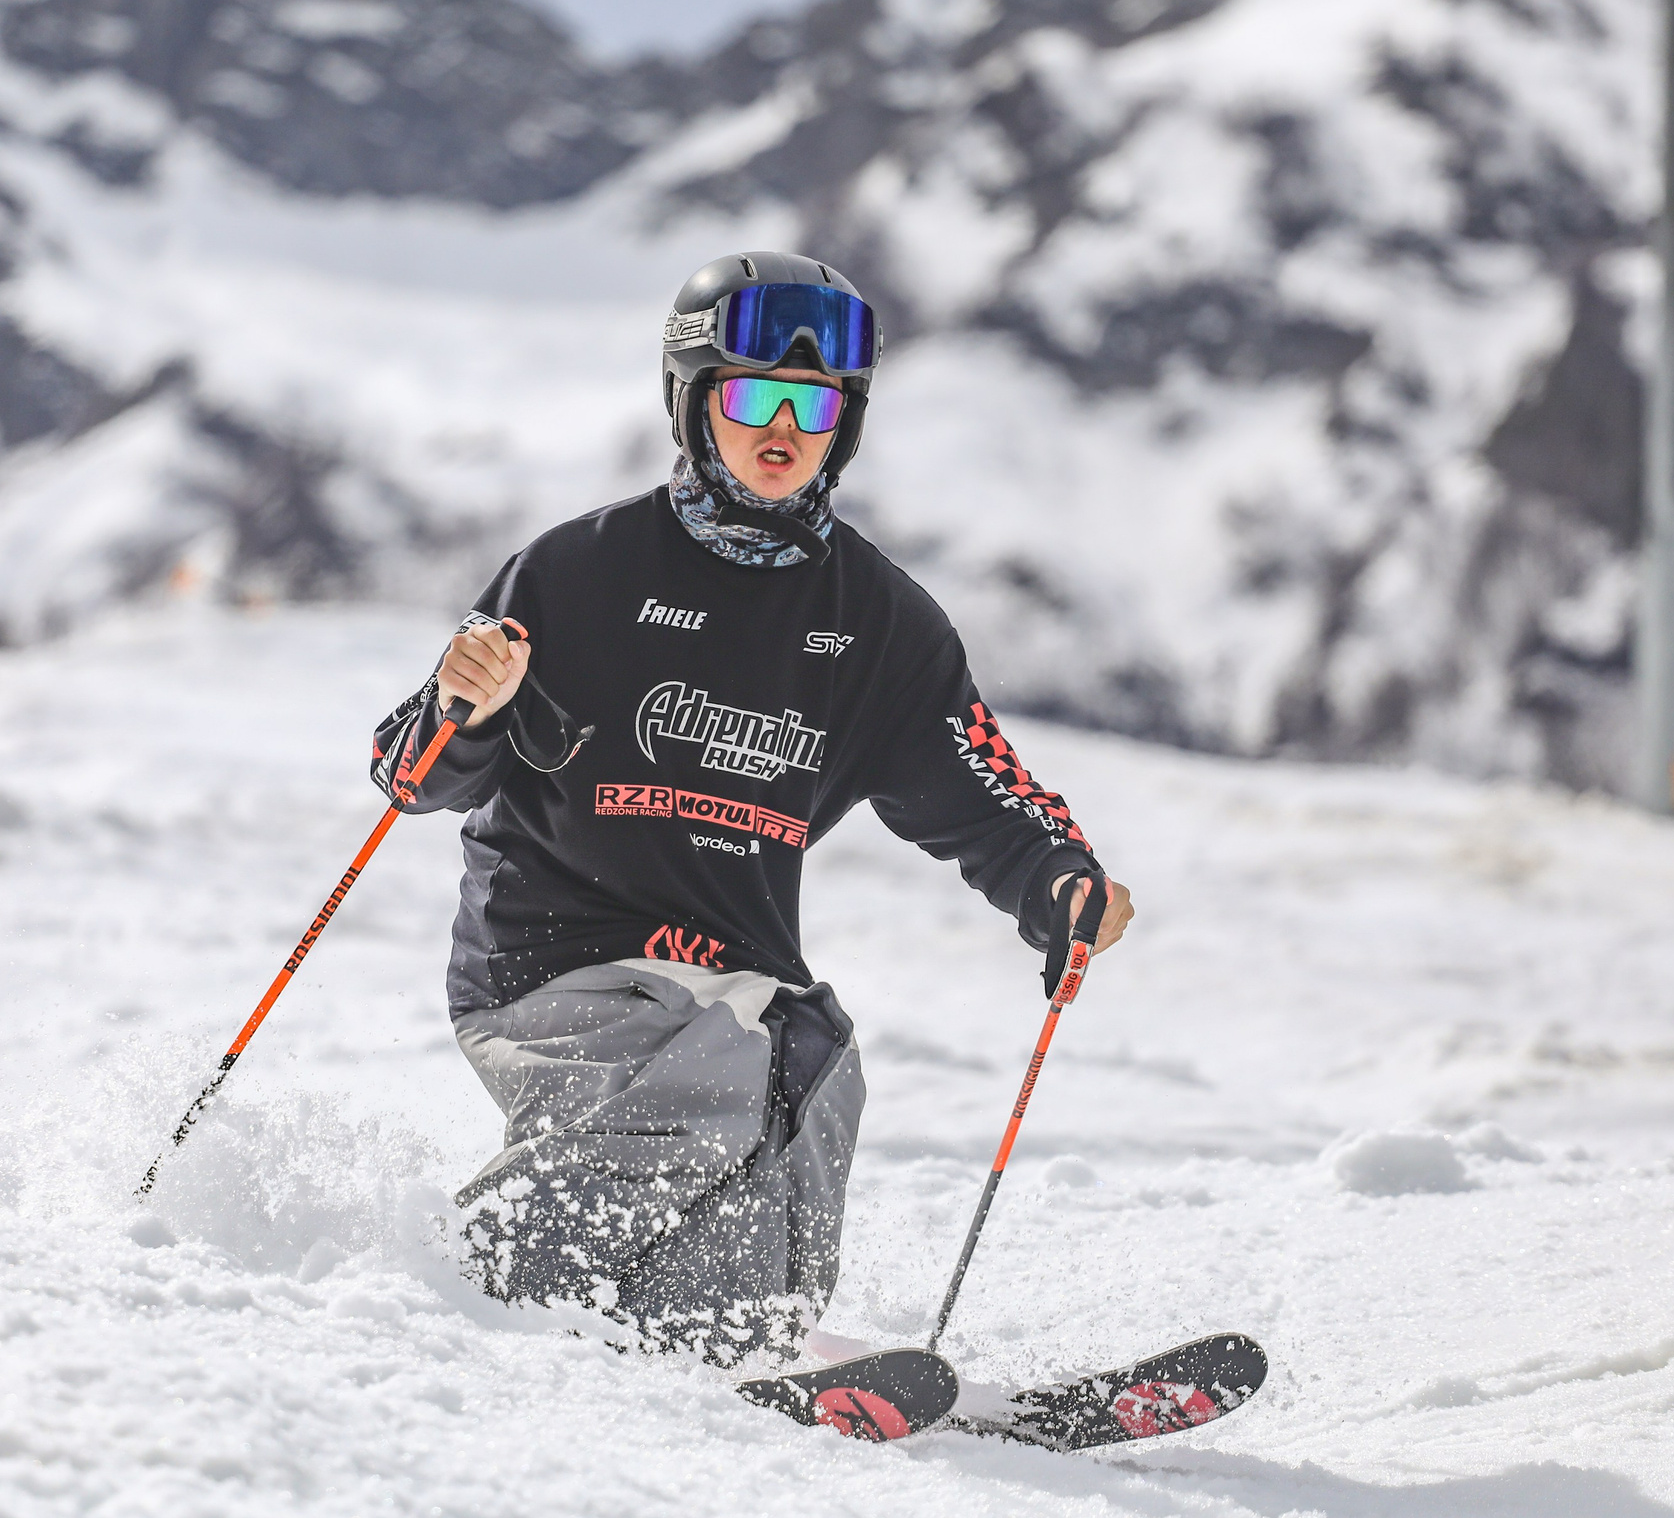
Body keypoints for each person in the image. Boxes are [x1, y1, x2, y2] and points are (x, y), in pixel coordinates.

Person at [370, 252, 1133, 1362]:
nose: (783, 427)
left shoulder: (878, 621)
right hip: (553, 960)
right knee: (717, 1075)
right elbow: (415, 774)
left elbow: (978, 787)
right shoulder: (578, 572)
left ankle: (719, 1346)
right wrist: (465, 708)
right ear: (693, 405)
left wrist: (1055, 875)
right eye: (752, 396)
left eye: (814, 405)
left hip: (735, 965)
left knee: (807, 1066)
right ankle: (461, 1300)